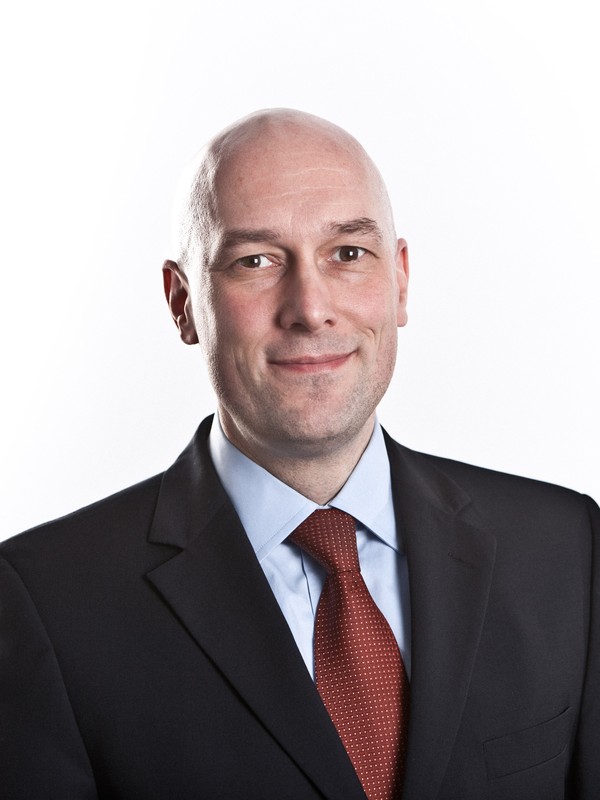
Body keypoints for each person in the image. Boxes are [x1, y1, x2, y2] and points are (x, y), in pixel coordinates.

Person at [0, 109, 598, 800]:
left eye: (348, 253)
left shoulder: (568, 551)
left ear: (400, 281)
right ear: (182, 301)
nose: (310, 309)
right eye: (256, 261)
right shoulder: (44, 605)